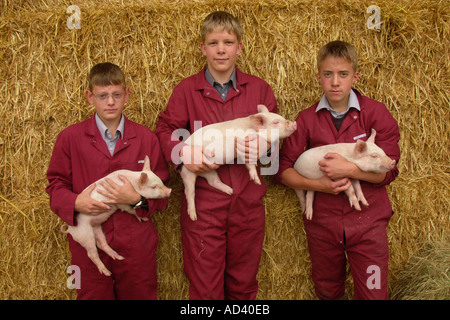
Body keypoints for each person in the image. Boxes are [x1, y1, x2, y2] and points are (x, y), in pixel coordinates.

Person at [155, 11, 277, 300]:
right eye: (213, 42)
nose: (221, 49)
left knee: (244, 286)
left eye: (228, 42)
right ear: (203, 48)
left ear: (240, 47)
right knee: (205, 289)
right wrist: (183, 153)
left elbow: (275, 149)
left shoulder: (259, 90)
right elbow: (164, 129)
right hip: (205, 207)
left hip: (246, 204)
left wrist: (266, 148)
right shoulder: (187, 90)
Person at [275, 40, 400, 300]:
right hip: (323, 226)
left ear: (355, 76)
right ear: (318, 76)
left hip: (368, 226)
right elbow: (283, 170)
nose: (335, 82)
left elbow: (389, 171)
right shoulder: (307, 119)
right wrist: (319, 185)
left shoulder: (375, 114)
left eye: (343, 75)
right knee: (327, 291)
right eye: (328, 74)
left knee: (374, 292)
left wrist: (350, 169)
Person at [46, 62, 169, 299]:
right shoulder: (70, 138)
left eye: (116, 95)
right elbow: (55, 185)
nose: (110, 102)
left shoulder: (146, 139)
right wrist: (75, 203)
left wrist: (136, 199)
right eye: (102, 96)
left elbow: (162, 192)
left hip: (136, 243)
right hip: (89, 240)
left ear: (127, 95)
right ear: (90, 97)